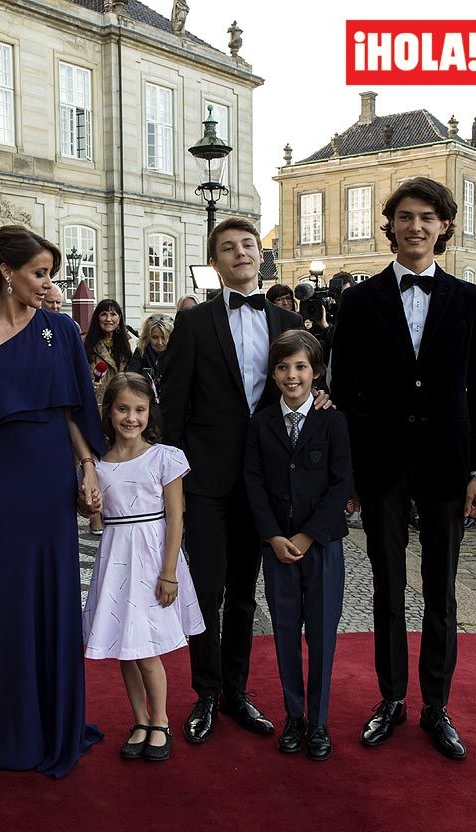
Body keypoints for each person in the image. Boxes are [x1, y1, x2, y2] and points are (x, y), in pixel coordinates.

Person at [331, 177, 476, 760]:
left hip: (448, 466)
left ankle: (437, 706)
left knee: (442, 593)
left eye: (427, 216)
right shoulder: (357, 302)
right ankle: (391, 699)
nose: (416, 226)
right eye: (405, 216)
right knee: (385, 589)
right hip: (380, 467)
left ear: (444, 225)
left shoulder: (471, 300)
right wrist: (347, 472)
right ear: (392, 224)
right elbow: (344, 392)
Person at [162, 216, 329, 745]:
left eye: (248, 245)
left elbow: (307, 384)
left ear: (261, 255)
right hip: (207, 478)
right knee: (207, 587)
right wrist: (176, 478)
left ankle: (236, 689)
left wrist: (323, 400)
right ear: (215, 263)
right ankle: (206, 692)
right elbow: (173, 409)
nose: (240, 253)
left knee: (243, 593)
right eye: (228, 248)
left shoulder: (287, 321)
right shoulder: (192, 324)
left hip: (267, 477)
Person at [0, 224, 105, 778]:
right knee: (8, 603)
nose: (48, 284)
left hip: (49, 478)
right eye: (39, 273)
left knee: (56, 595)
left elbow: (73, 408)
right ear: (6, 272)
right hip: (0, 480)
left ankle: (54, 722)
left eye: (51, 275)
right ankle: (5, 728)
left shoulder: (60, 331)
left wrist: (88, 468)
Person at [82, 373, 204, 761]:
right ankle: (139, 719)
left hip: (153, 561)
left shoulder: (164, 457)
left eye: (139, 409)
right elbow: (92, 517)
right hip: (116, 561)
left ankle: (162, 720)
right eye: (122, 409)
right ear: (109, 412)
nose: (131, 418)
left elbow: (176, 519)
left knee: (146, 648)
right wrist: (89, 507)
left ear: (150, 412)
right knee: (125, 648)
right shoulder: (98, 463)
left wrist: (169, 573)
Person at [245, 330, 351, 760]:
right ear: (273, 374)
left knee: (322, 634)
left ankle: (319, 720)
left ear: (317, 373)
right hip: (278, 548)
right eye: (284, 367)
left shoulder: (333, 420)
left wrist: (309, 535)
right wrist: (272, 535)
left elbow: (342, 482)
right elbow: (252, 480)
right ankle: (293, 715)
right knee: (286, 631)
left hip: (321, 545)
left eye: (301, 367)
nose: (292, 375)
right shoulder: (261, 422)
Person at [83, 299, 132, 534]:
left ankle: (116, 511)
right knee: (96, 465)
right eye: (104, 314)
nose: (109, 319)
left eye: (114, 314)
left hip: (121, 410)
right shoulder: (87, 344)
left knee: (118, 462)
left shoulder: (126, 345)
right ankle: (95, 516)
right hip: (96, 409)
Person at [127, 314, 174, 397]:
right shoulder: (141, 351)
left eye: (164, 337)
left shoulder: (176, 354)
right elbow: (132, 378)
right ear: (148, 337)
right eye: (155, 337)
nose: (159, 342)